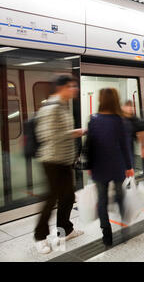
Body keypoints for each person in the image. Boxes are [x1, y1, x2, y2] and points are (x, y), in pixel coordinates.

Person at [34, 75, 85, 254]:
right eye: (72, 86)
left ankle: (66, 231)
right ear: (62, 88)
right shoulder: (52, 107)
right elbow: (47, 136)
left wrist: (72, 133)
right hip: (52, 160)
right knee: (51, 199)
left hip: (63, 160)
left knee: (68, 197)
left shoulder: (62, 106)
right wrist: (76, 132)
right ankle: (40, 237)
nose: (75, 90)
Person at [86, 88, 134, 246]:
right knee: (120, 196)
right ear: (115, 100)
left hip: (99, 165)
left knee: (102, 199)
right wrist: (129, 166)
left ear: (101, 100)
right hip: (117, 164)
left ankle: (106, 234)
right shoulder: (120, 120)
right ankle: (124, 228)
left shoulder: (93, 119)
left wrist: (89, 164)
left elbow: (90, 145)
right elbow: (125, 146)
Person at [121, 100, 144, 166]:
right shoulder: (118, 119)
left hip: (129, 148)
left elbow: (143, 130)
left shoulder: (134, 119)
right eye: (127, 106)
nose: (130, 108)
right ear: (122, 107)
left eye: (131, 106)